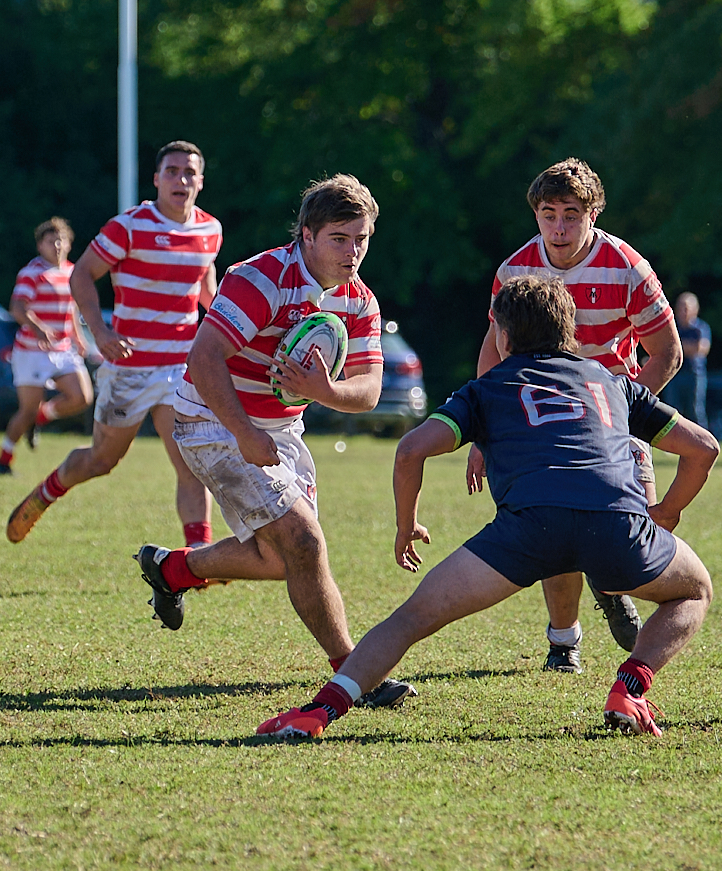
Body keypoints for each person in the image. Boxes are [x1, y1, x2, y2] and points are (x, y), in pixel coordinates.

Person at [257, 275, 717, 741]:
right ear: (570, 329)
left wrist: (406, 525)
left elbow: (411, 450)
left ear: (502, 334)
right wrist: (667, 513)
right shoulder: (614, 383)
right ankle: (631, 687)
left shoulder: (487, 388)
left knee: (410, 620)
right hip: (616, 526)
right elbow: (703, 448)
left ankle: (320, 711)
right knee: (695, 590)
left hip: (526, 532)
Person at [133, 174, 415, 709]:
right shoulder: (261, 277)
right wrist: (243, 434)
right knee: (304, 541)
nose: (353, 252)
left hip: (281, 430)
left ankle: (171, 569)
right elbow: (204, 358)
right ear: (307, 234)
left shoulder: (360, 302)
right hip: (211, 421)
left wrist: (324, 390)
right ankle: (357, 675)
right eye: (340, 238)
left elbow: (370, 391)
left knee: (280, 558)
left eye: (362, 239)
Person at [467, 158, 683, 673]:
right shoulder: (515, 270)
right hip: (542, 424)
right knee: (553, 532)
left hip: (614, 424)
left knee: (634, 541)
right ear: (536, 215)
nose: (559, 227)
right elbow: (492, 355)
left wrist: (624, 419)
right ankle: (564, 642)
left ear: (593, 214)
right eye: (548, 214)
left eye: (571, 214)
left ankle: (612, 587)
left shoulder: (628, 267)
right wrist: (483, 435)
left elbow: (667, 352)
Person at [6, 141, 222, 549]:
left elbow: (205, 285)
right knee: (102, 461)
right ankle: (47, 491)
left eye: (189, 172)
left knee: (191, 464)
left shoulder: (210, 230)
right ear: (156, 179)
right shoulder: (129, 226)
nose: (181, 179)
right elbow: (82, 275)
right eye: (172, 171)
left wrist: (233, 326)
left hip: (180, 367)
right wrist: (99, 334)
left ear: (201, 182)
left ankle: (196, 559)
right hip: (129, 367)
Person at [0, 218, 93, 473]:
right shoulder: (32, 273)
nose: (57, 245)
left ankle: (41, 417)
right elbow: (17, 308)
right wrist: (39, 328)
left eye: (62, 240)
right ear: (40, 245)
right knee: (26, 410)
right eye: (51, 240)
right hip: (31, 351)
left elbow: (71, 308)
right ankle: (4, 458)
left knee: (82, 397)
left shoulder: (73, 272)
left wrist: (79, 337)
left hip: (62, 349)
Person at [663, 293, 711, 428]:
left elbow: (701, 348)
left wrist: (676, 346)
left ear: (695, 309)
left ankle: (702, 444)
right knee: (671, 411)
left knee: (695, 411)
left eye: (686, 307)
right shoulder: (673, 327)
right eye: (680, 307)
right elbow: (664, 347)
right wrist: (686, 346)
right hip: (674, 374)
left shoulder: (700, 327)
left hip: (694, 375)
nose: (682, 311)